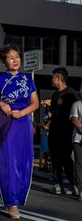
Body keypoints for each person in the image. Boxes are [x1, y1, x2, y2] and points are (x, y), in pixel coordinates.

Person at [0, 44, 39, 220]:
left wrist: (22, 113)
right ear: (4, 62)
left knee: (22, 161)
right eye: (11, 57)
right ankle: (12, 203)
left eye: (17, 56)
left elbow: (35, 103)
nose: (15, 60)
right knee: (8, 161)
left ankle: (12, 194)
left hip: (23, 124)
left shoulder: (28, 79)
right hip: (6, 125)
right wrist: (1, 104)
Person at [48, 67, 80, 195]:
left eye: (52, 77)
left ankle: (74, 185)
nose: (51, 79)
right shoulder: (55, 95)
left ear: (58, 78)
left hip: (66, 131)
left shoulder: (72, 94)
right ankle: (58, 183)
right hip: (54, 131)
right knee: (55, 158)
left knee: (67, 158)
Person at [69, 82, 82, 201]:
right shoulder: (76, 104)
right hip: (78, 139)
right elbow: (74, 120)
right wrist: (80, 127)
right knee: (79, 163)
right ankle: (80, 189)